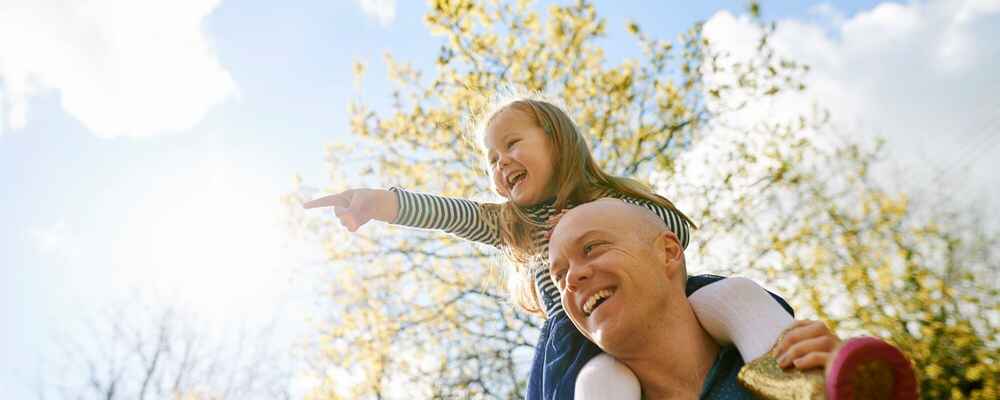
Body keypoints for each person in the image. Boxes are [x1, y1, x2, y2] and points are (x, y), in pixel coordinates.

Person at [304, 97, 800, 400]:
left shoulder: (609, 196)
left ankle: (806, 378)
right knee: (600, 385)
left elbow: (674, 230)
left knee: (734, 295)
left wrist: (595, 218)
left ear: (557, 142)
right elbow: (443, 211)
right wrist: (375, 202)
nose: (501, 164)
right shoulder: (511, 224)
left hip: (666, 300)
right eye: (492, 160)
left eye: (512, 145)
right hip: (581, 333)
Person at [548, 198, 918, 399]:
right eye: (559, 274)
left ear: (668, 253)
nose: (572, 279)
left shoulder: (794, 360)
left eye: (592, 248)